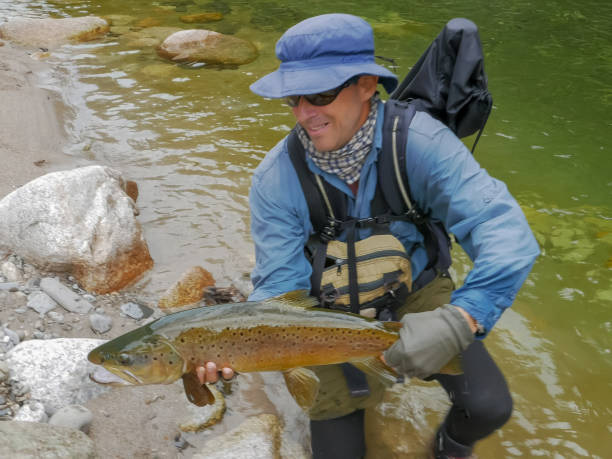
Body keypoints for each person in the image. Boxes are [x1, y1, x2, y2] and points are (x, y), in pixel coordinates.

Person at [203, 13, 540, 459]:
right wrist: (238, 348)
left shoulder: (422, 144)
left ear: (366, 85)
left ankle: (449, 447)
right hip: (322, 316)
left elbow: (505, 231)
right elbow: (281, 288)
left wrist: (464, 317)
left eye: (320, 94)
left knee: (487, 407)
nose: (304, 113)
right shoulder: (274, 179)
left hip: (415, 292)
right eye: (293, 98)